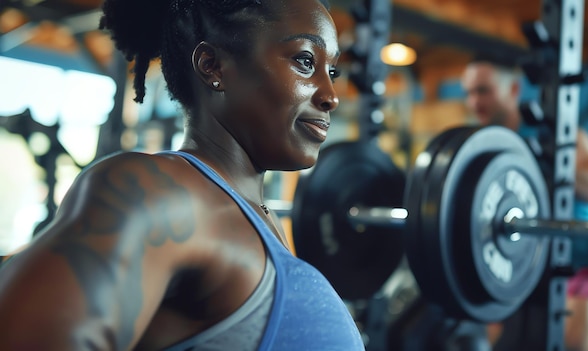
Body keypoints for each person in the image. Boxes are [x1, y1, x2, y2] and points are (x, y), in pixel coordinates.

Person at [0, 0, 366, 350]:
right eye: (305, 61)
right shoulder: (158, 192)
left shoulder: (254, 218)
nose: (331, 95)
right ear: (213, 66)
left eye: (331, 71)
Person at [461, 60, 588, 351]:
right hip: (523, 266)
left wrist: (548, 164)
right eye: (469, 93)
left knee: (575, 342)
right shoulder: (486, 149)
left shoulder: (564, 138)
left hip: (582, 264)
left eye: (483, 91)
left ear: (514, 89)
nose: (474, 102)